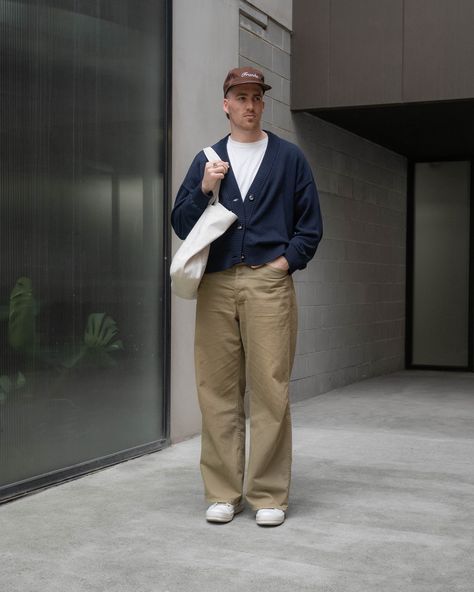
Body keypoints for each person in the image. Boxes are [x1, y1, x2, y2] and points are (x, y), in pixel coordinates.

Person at [171, 66, 323, 527]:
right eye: (240, 97)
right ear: (226, 104)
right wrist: (204, 187)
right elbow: (181, 223)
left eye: (256, 97)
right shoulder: (207, 158)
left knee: (270, 389)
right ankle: (222, 492)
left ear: (262, 103)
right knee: (216, 390)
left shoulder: (290, 158)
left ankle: (268, 494)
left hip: (267, 283)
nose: (249, 105)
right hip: (216, 284)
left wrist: (283, 264)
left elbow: (310, 226)